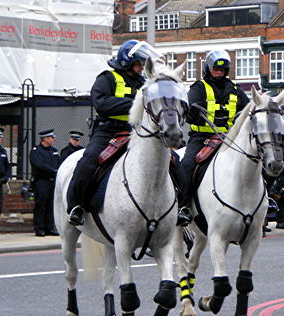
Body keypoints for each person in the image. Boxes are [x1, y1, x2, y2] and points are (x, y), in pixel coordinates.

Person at [67, 40, 161, 225]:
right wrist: (136, 104)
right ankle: (77, 205)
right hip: (108, 131)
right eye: (138, 64)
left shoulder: (145, 83)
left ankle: (175, 209)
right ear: (127, 61)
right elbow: (101, 103)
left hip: (135, 132)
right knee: (89, 161)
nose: (141, 68)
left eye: (143, 65)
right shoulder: (107, 78)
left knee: (169, 161)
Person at [178, 49, 250, 225]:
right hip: (201, 137)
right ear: (208, 69)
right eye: (216, 70)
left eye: (222, 70)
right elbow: (189, 112)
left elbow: (248, 110)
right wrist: (193, 111)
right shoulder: (198, 88)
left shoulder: (236, 90)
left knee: (254, 160)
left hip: (228, 139)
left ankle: (263, 200)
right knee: (186, 165)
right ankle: (182, 206)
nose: (219, 73)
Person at [30, 129, 61, 236]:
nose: (53, 139)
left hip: (52, 181)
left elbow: (59, 163)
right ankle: (39, 228)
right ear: (45, 139)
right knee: (41, 205)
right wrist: (53, 171)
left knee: (51, 205)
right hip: (41, 181)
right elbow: (39, 165)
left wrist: (57, 171)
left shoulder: (54, 150)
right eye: (51, 137)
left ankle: (50, 227)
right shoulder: (36, 151)